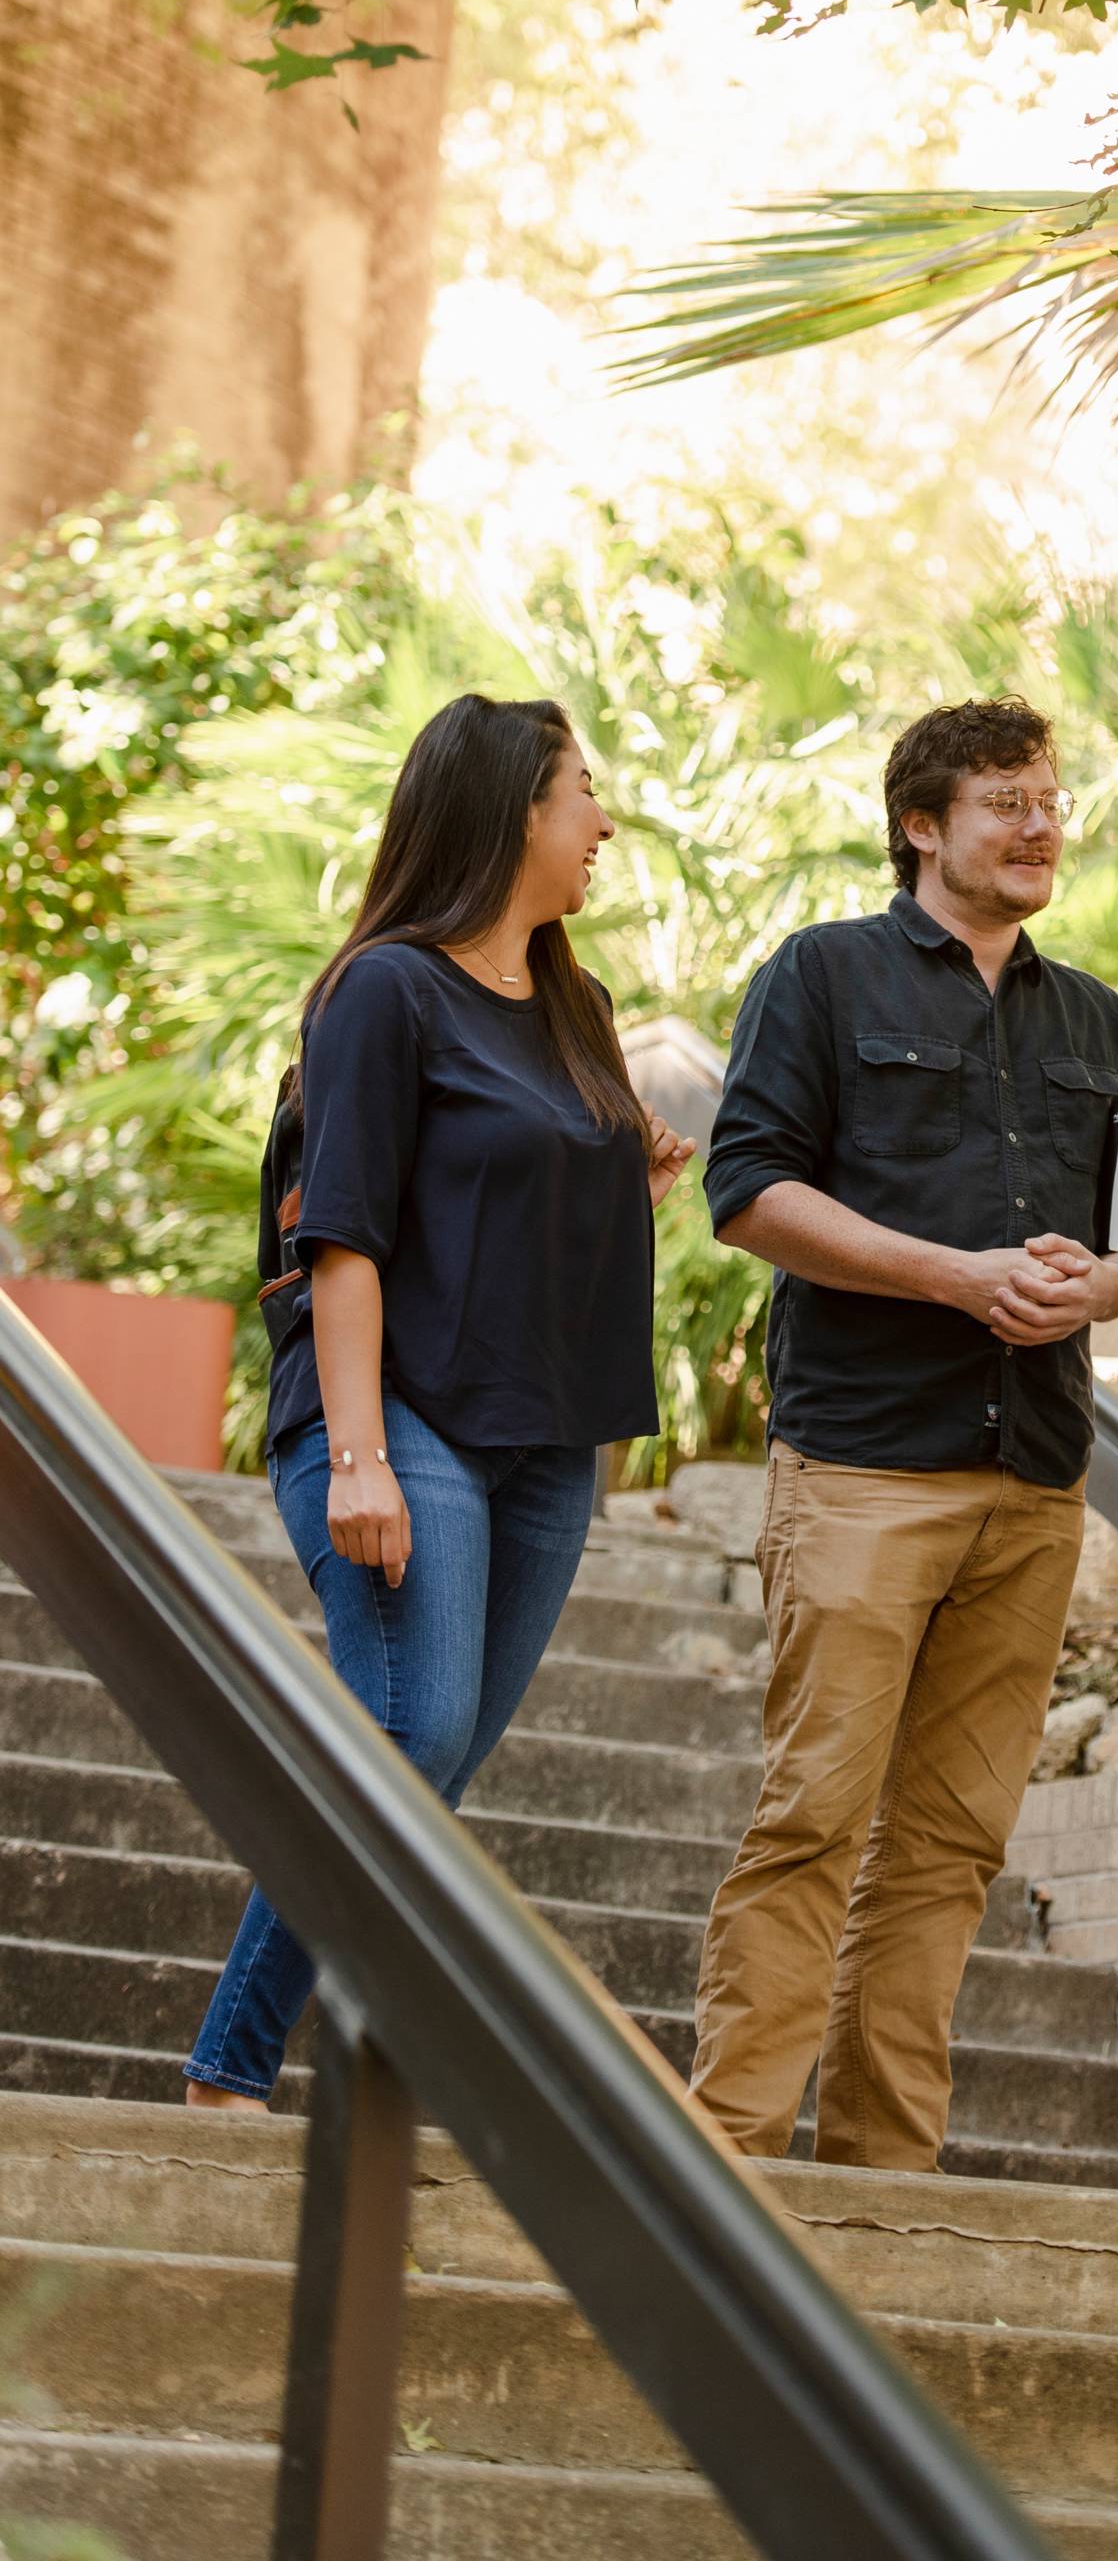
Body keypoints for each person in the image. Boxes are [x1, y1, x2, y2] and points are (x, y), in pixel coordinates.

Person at [184, 694, 691, 2109]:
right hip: (398, 1414)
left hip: (546, 1443)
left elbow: (513, 1197)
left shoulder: (577, 1008)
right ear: (511, 812)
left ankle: (304, 2058)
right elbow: (341, 1232)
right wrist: (357, 1459)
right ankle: (237, 2070)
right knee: (406, 1729)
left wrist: (618, 1173)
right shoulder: (384, 991)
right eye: (582, 792)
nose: (603, 822)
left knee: (434, 1751)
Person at [689, 696, 1118, 2168]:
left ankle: (890, 2179)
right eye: (1005, 801)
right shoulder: (823, 979)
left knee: (953, 1850)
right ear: (922, 824)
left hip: (1032, 1476)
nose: (1040, 827)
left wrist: (1096, 1284)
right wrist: (956, 1277)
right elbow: (748, 1192)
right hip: (864, 1467)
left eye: (1052, 799)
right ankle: (725, 2160)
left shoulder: (1096, 1020)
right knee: (814, 1819)